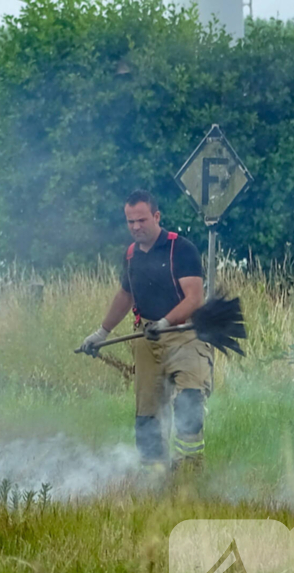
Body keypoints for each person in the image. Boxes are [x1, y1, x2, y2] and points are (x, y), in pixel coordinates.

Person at [78, 190, 213, 472]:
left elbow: (194, 299)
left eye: (141, 220)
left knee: (189, 401)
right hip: (147, 337)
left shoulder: (181, 249)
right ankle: (154, 473)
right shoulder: (131, 255)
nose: (136, 227)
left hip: (186, 335)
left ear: (156, 216)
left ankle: (189, 469)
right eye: (131, 222)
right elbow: (125, 296)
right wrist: (101, 333)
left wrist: (165, 322)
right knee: (147, 413)